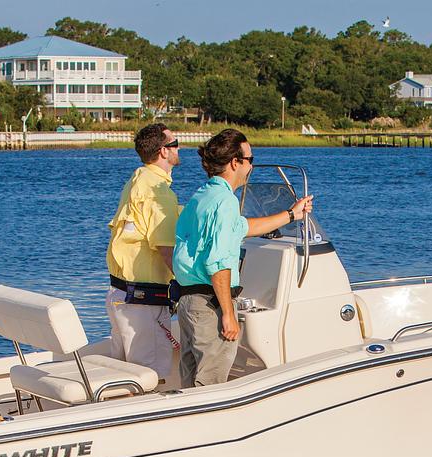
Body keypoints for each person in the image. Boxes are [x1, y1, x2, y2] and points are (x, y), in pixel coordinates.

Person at [173, 128, 313, 386]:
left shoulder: (203, 195)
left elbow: (243, 227)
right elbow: (218, 263)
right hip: (210, 305)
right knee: (211, 385)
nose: (251, 167)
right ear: (235, 162)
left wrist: (292, 215)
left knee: (191, 380)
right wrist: (228, 313)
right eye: (250, 160)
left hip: (189, 302)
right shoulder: (225, 202)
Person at [105, 123, 181, 380]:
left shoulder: (136, 180)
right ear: (163, 151)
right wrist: (190, 286)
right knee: (151, 376)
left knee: (124, 374)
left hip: (119, 294)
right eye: (175, 143)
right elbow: (166, 250)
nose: (179, 148)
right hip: (144, 301)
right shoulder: (159, 192)